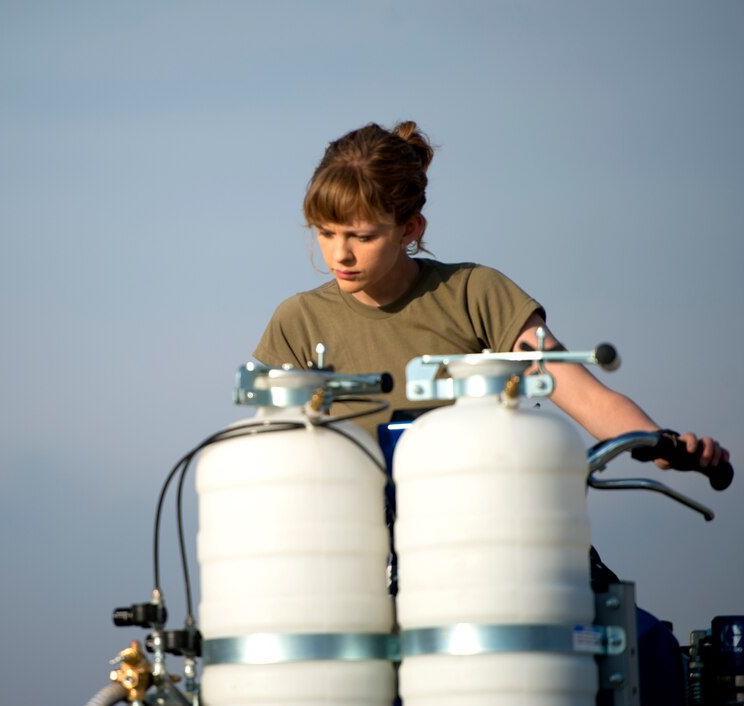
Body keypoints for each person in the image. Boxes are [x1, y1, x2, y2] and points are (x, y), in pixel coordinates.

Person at [253, 121, 729, 470]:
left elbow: (586, 396)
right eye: (326, 232)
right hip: (353, 566)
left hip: (487, 544)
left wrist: (659, 444)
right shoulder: (297, 322)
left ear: (409, 229)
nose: (340, 254)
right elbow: (268, 457)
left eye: (362, 236)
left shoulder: (475, 294)